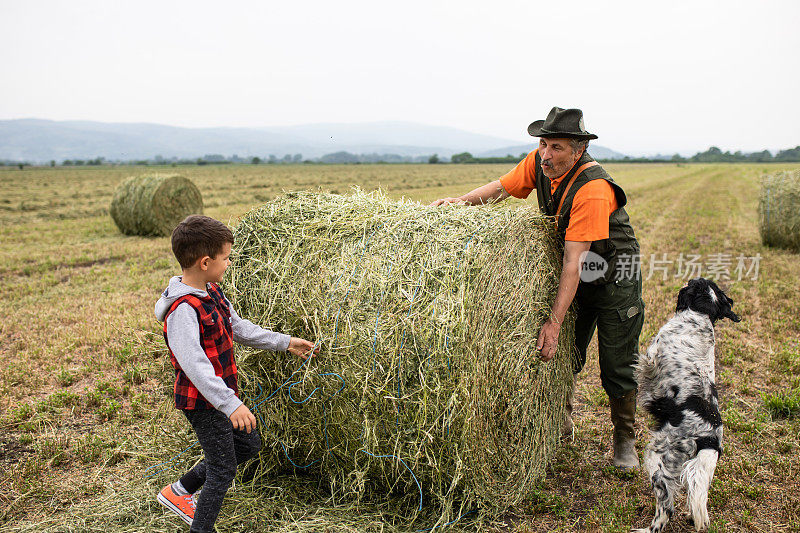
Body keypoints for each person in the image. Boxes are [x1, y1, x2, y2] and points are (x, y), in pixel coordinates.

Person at [432, 107, 644, 470]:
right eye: (543, 144)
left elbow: (574, 263)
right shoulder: (539, 163)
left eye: (556, 147)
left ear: (578, 150)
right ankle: (558, 423)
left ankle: (624, 440)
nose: (546, 154)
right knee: (565, 356)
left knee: (616, 363)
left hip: (612, 278)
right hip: (576, 269)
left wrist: (555, 320)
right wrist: (460, 203)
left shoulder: (593, 189)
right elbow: (502, 188)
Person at [153, 215, 319, 532]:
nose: (229, 263)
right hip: (204, 402)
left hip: (222, 396)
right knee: (223, 467)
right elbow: (196, 367)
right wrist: (230, 404)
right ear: (205, 262)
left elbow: (239, 328)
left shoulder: (212, 292)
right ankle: (201, 527)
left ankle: (179, 491)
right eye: (226, 257)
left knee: (248, 446)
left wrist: (284, 342)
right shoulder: (183, 310)